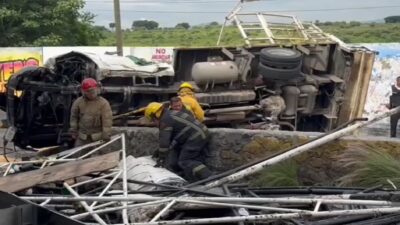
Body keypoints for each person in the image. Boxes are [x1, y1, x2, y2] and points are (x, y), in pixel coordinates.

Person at [145, 102, 212, 181]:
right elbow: (170, 140)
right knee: (180, 156)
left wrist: (161, 158)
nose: (154, 124)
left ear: (155, 116)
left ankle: (209, 177)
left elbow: (164, 141)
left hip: (196, 136)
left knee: (185, 160)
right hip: (200, 133)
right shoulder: (170, 114)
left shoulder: (165, 121)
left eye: (153, 121)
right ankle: (187, 178)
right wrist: (158, 152)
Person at [70, 78, 113, 146]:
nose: (91, 94)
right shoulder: (78, 102)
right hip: (82, 137)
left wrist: (106, 135)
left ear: (97, 89)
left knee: (99, 156)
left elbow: (107, 121)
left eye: (93, 91)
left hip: (98, 137)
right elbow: (74, 117)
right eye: (88, 92)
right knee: (78, 155)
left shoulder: (103, 103)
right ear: (84, 92)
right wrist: (73, 131)